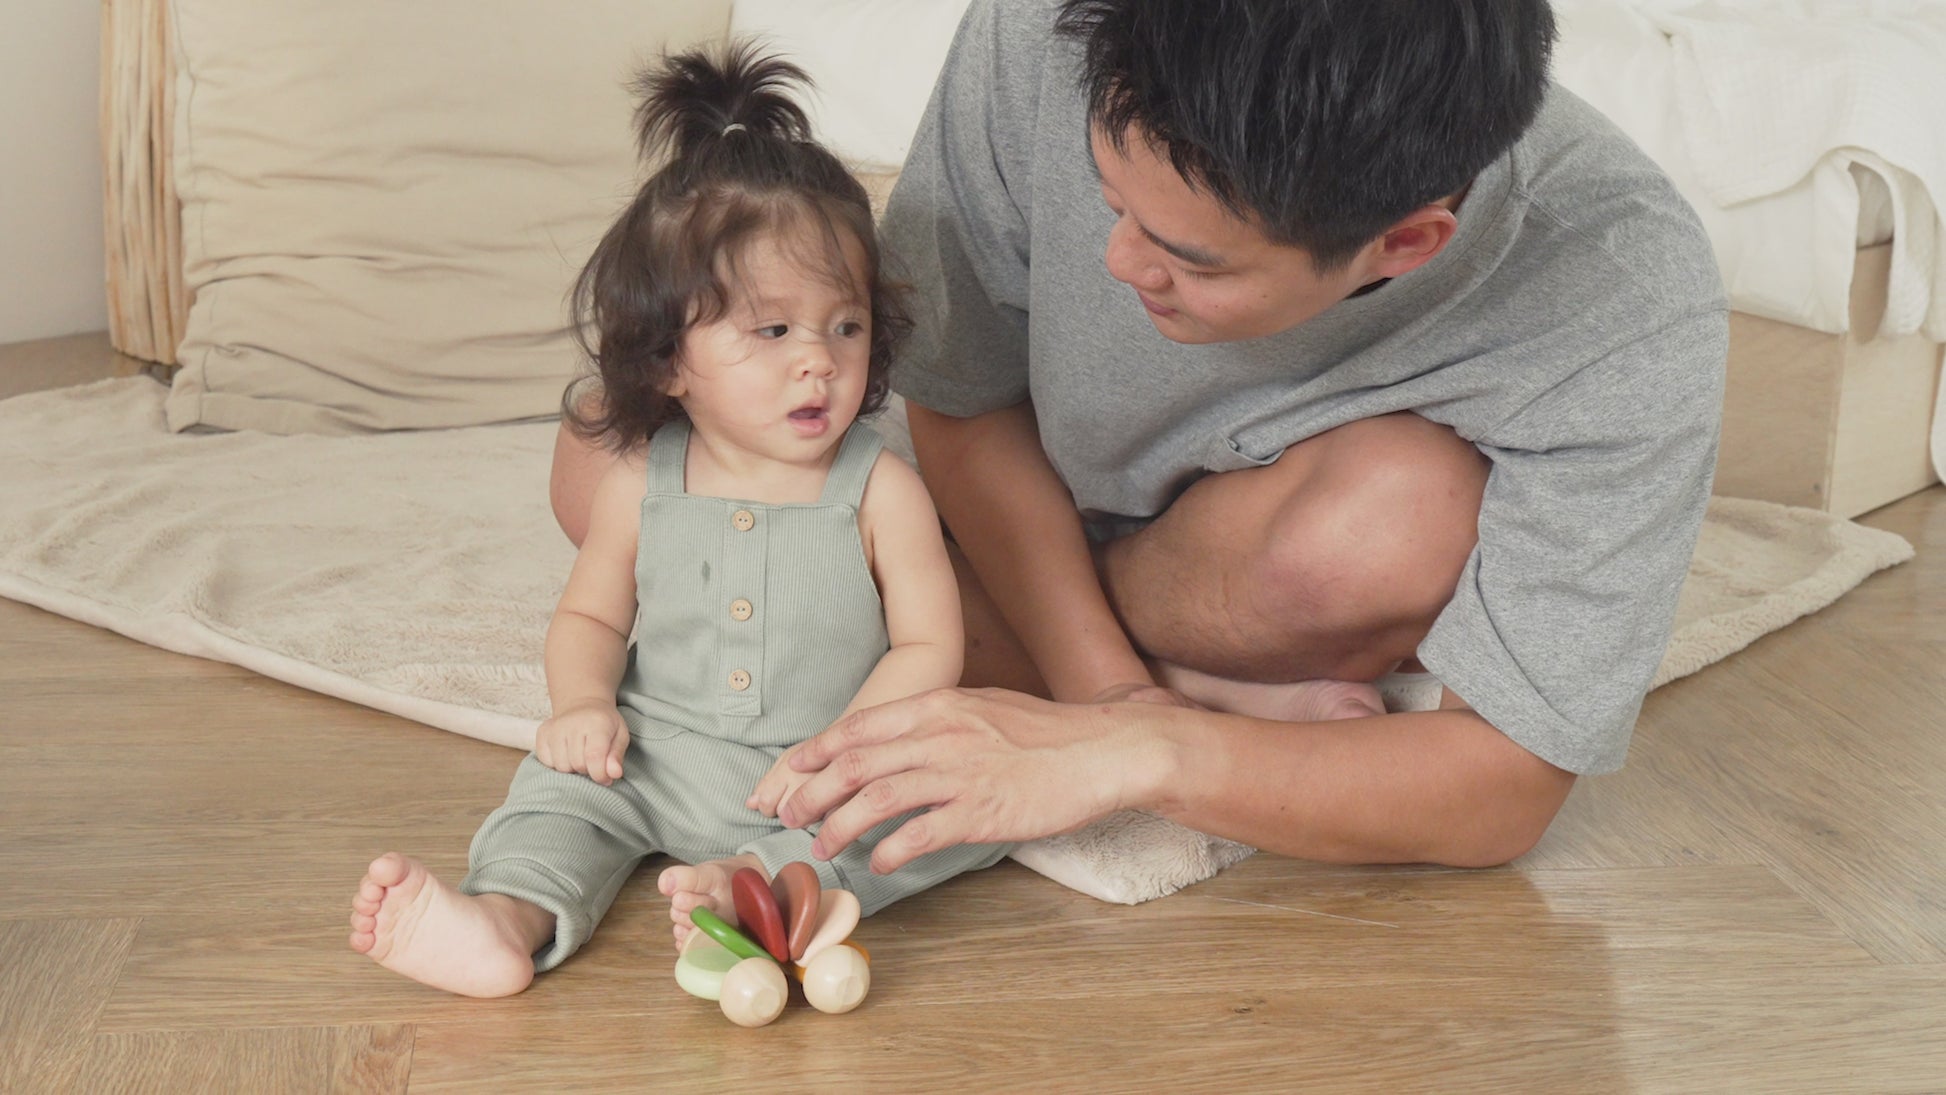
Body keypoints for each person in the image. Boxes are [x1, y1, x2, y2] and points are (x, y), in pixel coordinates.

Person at [557, 0, 1729, 883]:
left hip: (1250, 554)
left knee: (1403, 520)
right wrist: (1109, 688)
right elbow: (961, 394)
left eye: (1189, 256)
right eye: (1105, 197)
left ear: (1404, 243)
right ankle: (1170, 673)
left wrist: (1137, 755)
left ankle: (1105, 661)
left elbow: (1500, 794)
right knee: (609, 460)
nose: (1114, 263)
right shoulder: (1047, 29)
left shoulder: (1621, 290)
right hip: (1017, 500)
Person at [350, 43, 1009, 999]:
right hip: (658, 752)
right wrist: (583, 708)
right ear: (667, 360)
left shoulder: (881, 489)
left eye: (846, 325)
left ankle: (760, 892)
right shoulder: (639, 484)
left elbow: (928, 646)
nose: (818, 361)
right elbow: (591, 620)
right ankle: (504, 916)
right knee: (559, 797)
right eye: (774, 331)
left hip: (820, 767)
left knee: (926, 817)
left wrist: (838, 757)